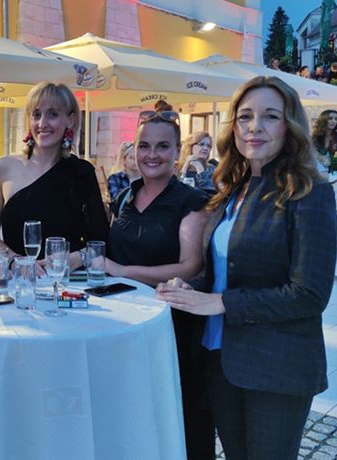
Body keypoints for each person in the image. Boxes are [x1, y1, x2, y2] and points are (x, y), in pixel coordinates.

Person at [156, 75, 337, 459]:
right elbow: (224, 270)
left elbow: (309, 294)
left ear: (290, 126)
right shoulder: (234, 188)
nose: (255, 126)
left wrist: (220, 302)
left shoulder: (310, 192)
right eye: (245, 116)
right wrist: (192, 289)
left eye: (270, 116)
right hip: (219, 356)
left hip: (275, 365)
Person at [104, 110, 213, 459]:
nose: (152, 155)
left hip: (169, 324)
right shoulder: (126, 195)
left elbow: (190, 265)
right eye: (144, 146)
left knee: (173, 412)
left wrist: (123, 270)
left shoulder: (191, 201)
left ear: (178, 151)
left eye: (162, 146)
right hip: (122, 324)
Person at [0, 82, 109, 270]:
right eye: (36, 114)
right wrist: (16, 262)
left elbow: (101, 241)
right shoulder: (2, 167)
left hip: (67, 280)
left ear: (71, 120)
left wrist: (76, 258)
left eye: (53, 114)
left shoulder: (82, 172)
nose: (42, 123)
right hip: (19, 281)